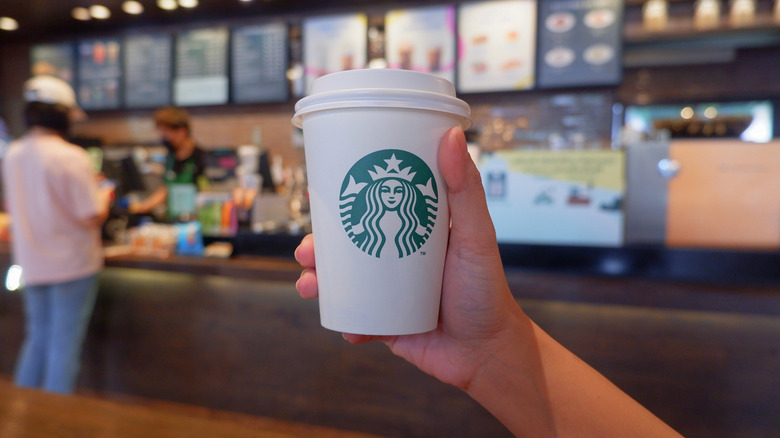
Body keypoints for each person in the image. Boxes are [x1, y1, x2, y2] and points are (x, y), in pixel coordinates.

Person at [294, 127, 682, 437]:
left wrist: (487, 346)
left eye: (401, 188)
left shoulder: (416, 214)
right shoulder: (368, 221)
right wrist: (486, 349)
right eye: (386, 189)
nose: (394, 194)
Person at [2, 75, 113, 394]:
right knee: (64, 347)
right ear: (62, 114)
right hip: (73, 265)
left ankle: (22, 416)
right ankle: (53, 421)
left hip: (31, 263)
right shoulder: (71, 156)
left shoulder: (14, 154)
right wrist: (104, 193)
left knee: (38, 338)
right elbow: (91, 214)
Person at [129, 107, 207, 217]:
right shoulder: (171, 157)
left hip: (194, 220)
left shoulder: (201, 157)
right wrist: (142, 207)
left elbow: (207, 192)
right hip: (173, 218)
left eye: (166, 133)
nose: (163, 138)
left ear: (181, 131)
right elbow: (166, 189)